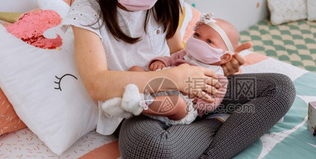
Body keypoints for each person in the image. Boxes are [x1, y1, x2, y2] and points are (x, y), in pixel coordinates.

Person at [62, 0, 296, 159]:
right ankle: (221, 122)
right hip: (141, 104)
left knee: (280, 89)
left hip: (193, 86)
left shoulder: (164, 3)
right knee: (148, 156)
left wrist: (217, 64)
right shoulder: (87, 10)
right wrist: (172, 78)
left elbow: (178, 51)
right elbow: (96, 84)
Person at [100, 14, 237, 126]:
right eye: (197, 35)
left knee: (177, 104)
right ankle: (131, 99)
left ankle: (136, 105)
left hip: (182, 104)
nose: (199, 41)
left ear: (224, 57)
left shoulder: (219, 78)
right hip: (159, 84)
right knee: (136, 69)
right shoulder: (184, 54)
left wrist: (198, 101)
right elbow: (169, 59)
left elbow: (213, 101)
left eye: (209, 41)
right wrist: (159, 62)